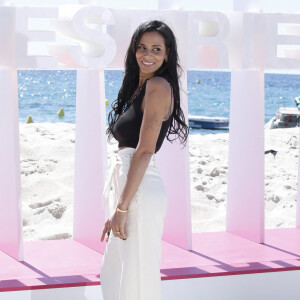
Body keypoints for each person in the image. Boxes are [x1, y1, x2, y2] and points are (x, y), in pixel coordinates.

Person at [100, 19, 189, 300]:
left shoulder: (159, 86)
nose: (147, 55)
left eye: (156, 49)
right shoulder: (141, 88)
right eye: (142, 47)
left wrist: (122, 208)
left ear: (167, 54)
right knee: (116, 273)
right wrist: (118, 205)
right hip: (129, 186)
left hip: (138, 189)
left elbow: (145, 150)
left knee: (137, 279)